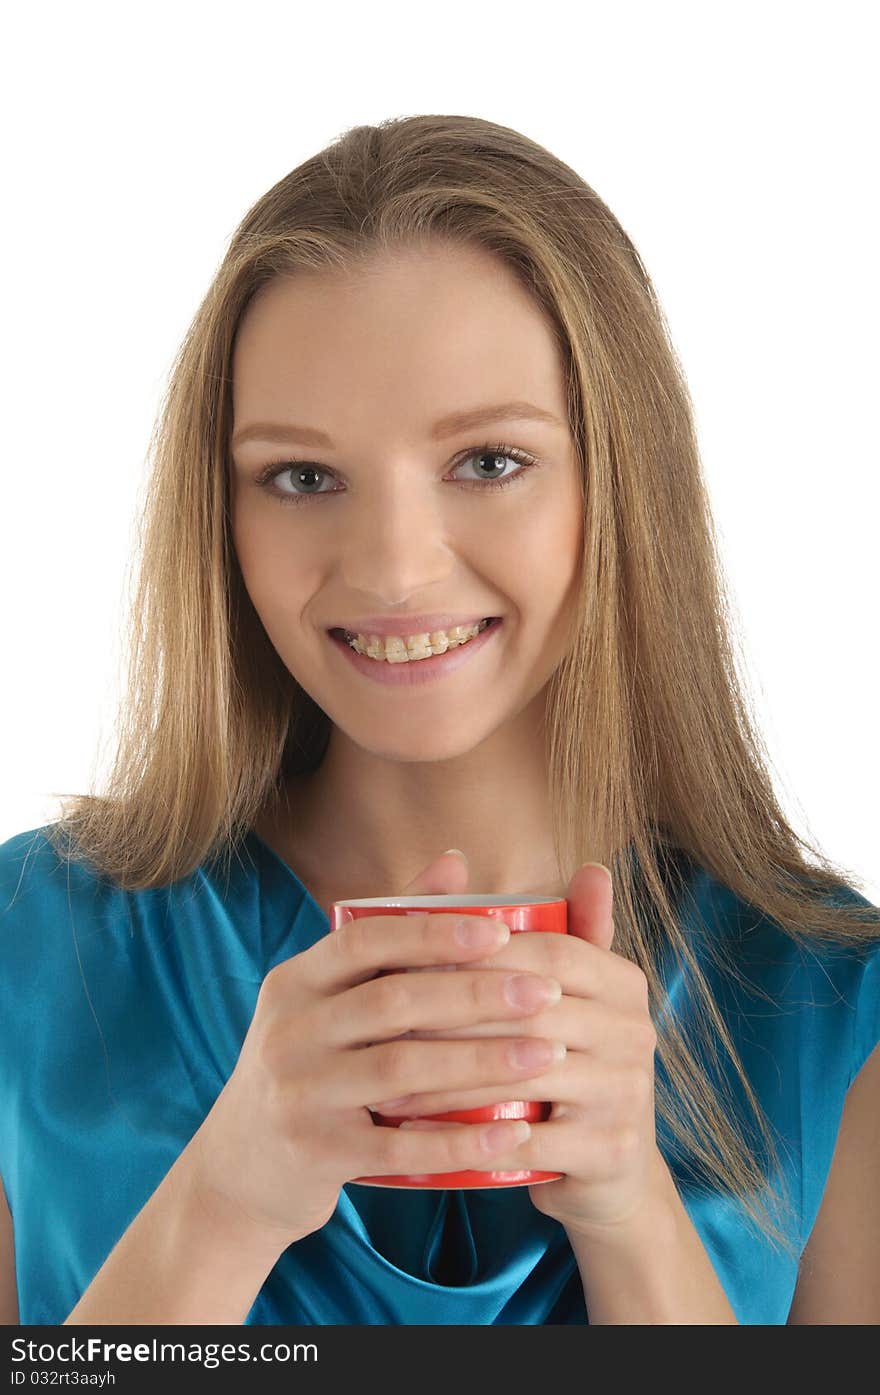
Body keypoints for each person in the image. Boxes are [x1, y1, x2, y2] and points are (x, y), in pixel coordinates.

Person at [1, 114, 878, 1328]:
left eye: (486, 461)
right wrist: (226, 1202)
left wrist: (631, 1212)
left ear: (619, 481)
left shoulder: (831, 1005)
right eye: (302, 478)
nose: (395, 570)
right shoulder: (30, 952)